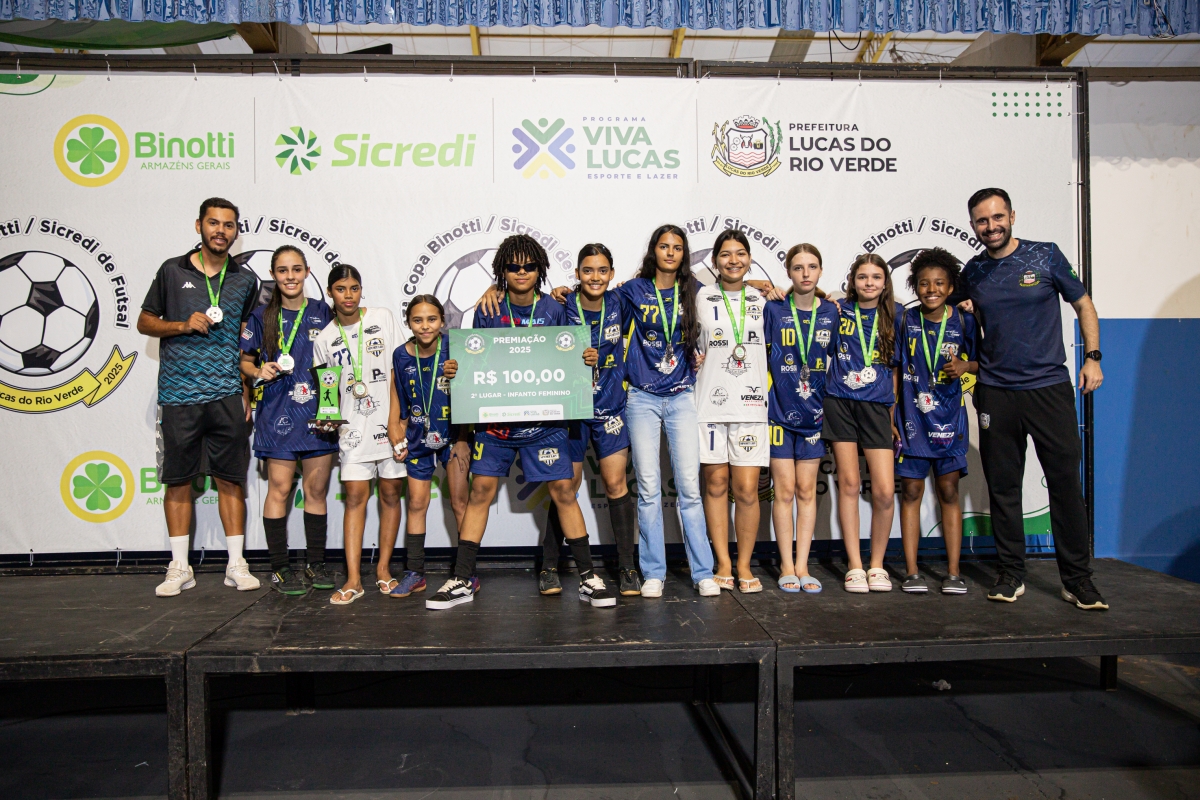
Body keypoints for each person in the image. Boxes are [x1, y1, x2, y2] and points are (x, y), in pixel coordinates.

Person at [427, 234, 616, 610]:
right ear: (502, 270)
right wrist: (456, 370)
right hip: (496, 423)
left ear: (540, 269)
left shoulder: (555, 307)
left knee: (564, 490)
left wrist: (587, 359)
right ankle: (462, 578)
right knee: (480, 492)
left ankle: (587, 577)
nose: (521, 271)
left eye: (529, 266)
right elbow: (475, 360)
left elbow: (571, 354)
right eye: (513, 266)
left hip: (544, 423)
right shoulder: (488, 308)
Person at [958, 188, 1107, 610]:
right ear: (973, 226)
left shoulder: (1046, 255)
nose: (991, 226)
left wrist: (1093, 357)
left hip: (1048, 390)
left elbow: (1083, 304)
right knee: (1003, 488)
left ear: (1012, 216)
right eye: (982, 221)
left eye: (997, 217)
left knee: (1065, 486)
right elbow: (943, 308)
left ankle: (1077, 580)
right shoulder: (974, 271)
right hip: (995, 392)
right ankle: (1011, 574)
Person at [139, 197, 261, 597]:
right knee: (178, 482)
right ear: (199, 226)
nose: (220, 231)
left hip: (226, 394)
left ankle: (236, 564)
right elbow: (144, 322)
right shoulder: (172, 271)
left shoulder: (245, 280)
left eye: (228, 225)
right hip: (179, 395)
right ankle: (179, 567)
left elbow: (245, 340)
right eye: (213, 223)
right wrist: (181, 325)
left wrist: (245, 390)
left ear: (236, 232)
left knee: (231, 480)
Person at [614, 225, 720, 598]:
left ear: (683, 253)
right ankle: (653, 572)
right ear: (654, 251)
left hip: (681, 398)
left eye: (677, 247)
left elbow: (731, 290)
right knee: (648, 488)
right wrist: (563, 291)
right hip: (641, 398)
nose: (670, 252)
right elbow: (595, 301)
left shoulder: (694, 289)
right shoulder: (634, 289)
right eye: (664, 246)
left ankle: (702, 572)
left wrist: (767, 286)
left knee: (689, 487)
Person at [537, 244, 641, 597]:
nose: (595, 277)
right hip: (571, 411)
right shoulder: (561, 305)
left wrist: (755, 284)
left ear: (612, 274)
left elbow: (671, 285)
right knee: (565, 487)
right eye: (587, 270)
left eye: (602, 270)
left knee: (615, 484)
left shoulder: (621, 301)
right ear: (577, 274)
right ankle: (549, 566)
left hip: (610, 408)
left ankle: (627, 567)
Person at [238, 246, 337, 595]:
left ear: (307, 272)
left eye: (296, 269)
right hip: (276, 412)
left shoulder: (323, 311)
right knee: (279, 489)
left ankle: (315, 564)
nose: (290, 276)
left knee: (316, 491)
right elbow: (245, 361)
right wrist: (256, 371)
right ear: (273, 275)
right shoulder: (261, 316)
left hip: (318, 412)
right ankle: (280, 569)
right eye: (283, 270)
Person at [310, 265, 406, 605]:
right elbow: (328, 394)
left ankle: (383, 570)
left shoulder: (382, 317)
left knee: (391, 495)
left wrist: (396, 422)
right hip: (352, 430)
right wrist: (326, 418)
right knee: (354, 498)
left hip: (390, 425)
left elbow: (399, 372)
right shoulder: (324, 339)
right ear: (330, 293)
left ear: (361, 290)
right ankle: (353, 579)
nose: (348, 295)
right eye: (341, 289)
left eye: (354, 288)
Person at [894, 248, 978, 595]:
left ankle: (954, 572)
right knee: (911, 492)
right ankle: (912, 572)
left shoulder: (964, 320)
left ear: (951, 287)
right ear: (915, 286)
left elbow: (983, 361)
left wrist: (965, 366)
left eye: (939, 283)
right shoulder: (905, 320)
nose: (932, 289)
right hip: (912, 418)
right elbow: (895, 367)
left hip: (950, 420)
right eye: (924, 283)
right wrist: (891, 414)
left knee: (948, 491)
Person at [824, 254, 904, 593]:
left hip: (877, 407)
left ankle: (877, 565)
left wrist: (892, 415)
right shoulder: (838, 310)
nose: (869, 282)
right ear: (852, 281)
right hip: (839, 402)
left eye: (875, 277)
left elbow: (896, 370)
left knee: (884, 491)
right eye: (862, 277)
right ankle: (855, 565)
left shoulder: (898, 315)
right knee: (849, 484)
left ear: (885, 282)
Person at [695, 230, 770, 594]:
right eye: (725, 254)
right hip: (709, 404)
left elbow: (806, 298)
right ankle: (723, 562)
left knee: (747, 490)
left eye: (741, 253)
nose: (733, 260)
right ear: (715, 261)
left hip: (751, 406)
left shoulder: (765, 299)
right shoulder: (699, 296)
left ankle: (744, 564)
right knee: (715, 485)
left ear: (750, 259)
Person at [764, 244, 838, 594]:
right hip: (779, 413)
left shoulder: (833, 312)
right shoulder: (774, 309)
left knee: (807, 491)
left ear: (820, 270)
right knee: (784, 491)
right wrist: (761, 287)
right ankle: (786, 565)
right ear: (788, 272)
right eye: (798, 267)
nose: (805, 273)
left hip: (815, 416)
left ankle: (803, 565)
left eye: (811, 267)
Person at [387, 294, 469, 599]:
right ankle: (415, 573)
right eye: (417, 320)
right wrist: (397, 429)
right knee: (417, 504)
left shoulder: (455, 348)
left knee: (460, 503)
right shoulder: (400, 354)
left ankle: (466, 573)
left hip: (454, 436)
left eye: (432, 319)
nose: (425, 326)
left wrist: (464, 438)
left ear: (442, 321)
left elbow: (472, 392)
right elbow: (399, 397)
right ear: (409, 323)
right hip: (418, 438)